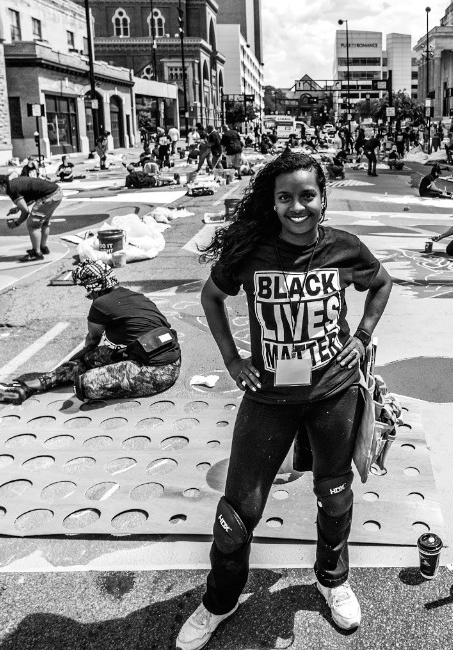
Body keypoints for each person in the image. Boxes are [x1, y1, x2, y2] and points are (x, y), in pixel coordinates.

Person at [179, 152, 392, 650]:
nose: (297, 207)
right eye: (285, 198)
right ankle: (220, 600)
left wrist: (360, 338)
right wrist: (233, 361)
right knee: (238, 512)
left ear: (323, 198)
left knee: (335, 494)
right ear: (273, 204)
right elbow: (211, 298)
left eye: (307, 196)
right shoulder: (252, 253)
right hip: (270, 397)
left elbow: (381, 285)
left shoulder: (345, 248)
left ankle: (332, 580)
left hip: (331, 393)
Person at [0, 260, 181, 403]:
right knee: (97, 356)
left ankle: (25, 389)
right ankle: (31, 386)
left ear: (93, 287)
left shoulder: (100, 304)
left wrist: (74, 362)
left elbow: (91, 341)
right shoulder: (136, 295)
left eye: (86, 289)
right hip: (167, 359)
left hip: (157, 372)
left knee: (85, 384)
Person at [0, 173, 62, 262]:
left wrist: (16, 223)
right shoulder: (14, 183)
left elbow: (25, 212)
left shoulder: (11, 190)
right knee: (44, 222)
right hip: (56, 192)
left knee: (33, 225)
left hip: (49, 196)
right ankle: (43, 247)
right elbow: (31, 197)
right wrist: (18, 208)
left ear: (2, 185)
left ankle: (36, 253)